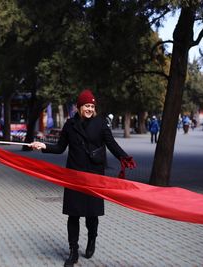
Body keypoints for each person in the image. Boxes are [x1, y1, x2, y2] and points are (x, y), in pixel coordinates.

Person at [30, 89, 136, 267]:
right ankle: (73, 252)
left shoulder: (101, 123)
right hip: (74, 175)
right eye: (86, 105)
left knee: (92, 215)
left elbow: (111, 144)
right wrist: (43, 146)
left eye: (92, 106)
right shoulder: (70, 125)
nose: (89, 108)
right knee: (73, 215)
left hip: (94, 176)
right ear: (79, 106)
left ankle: (92, 240)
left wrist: (124, 157)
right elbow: (60, 148)